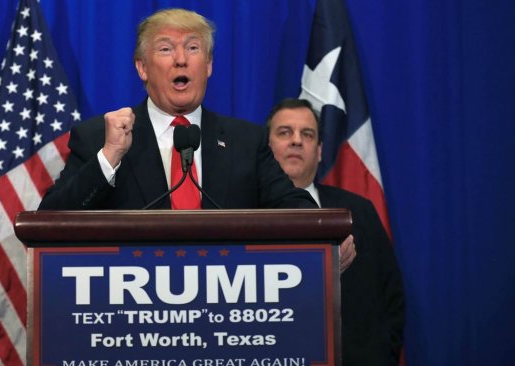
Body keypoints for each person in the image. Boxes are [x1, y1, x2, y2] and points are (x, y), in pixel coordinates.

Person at [38, 9, 317, 211]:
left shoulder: (246, 142)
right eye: (166, 49)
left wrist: (328, 239)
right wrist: (109, 157)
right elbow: (52, 218)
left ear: (208, 65)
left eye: (193, 48)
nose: (181, 60)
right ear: (142, 68)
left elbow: (296, 207)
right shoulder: (99, 138)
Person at [267, 98, 405, 365]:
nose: (296, 141)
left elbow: (391, 297)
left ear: (319, 151)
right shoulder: (243, 216)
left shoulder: (359, 212)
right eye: (285, 132)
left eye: (307, 134)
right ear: (266, 146)